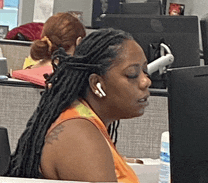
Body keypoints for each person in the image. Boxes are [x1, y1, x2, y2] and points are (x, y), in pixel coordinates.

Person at [5, 28, 152, 182]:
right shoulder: (80, 137)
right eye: (132, 74)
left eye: (145, 71)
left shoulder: (84, 123)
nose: (146, 81)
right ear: (96, 84)